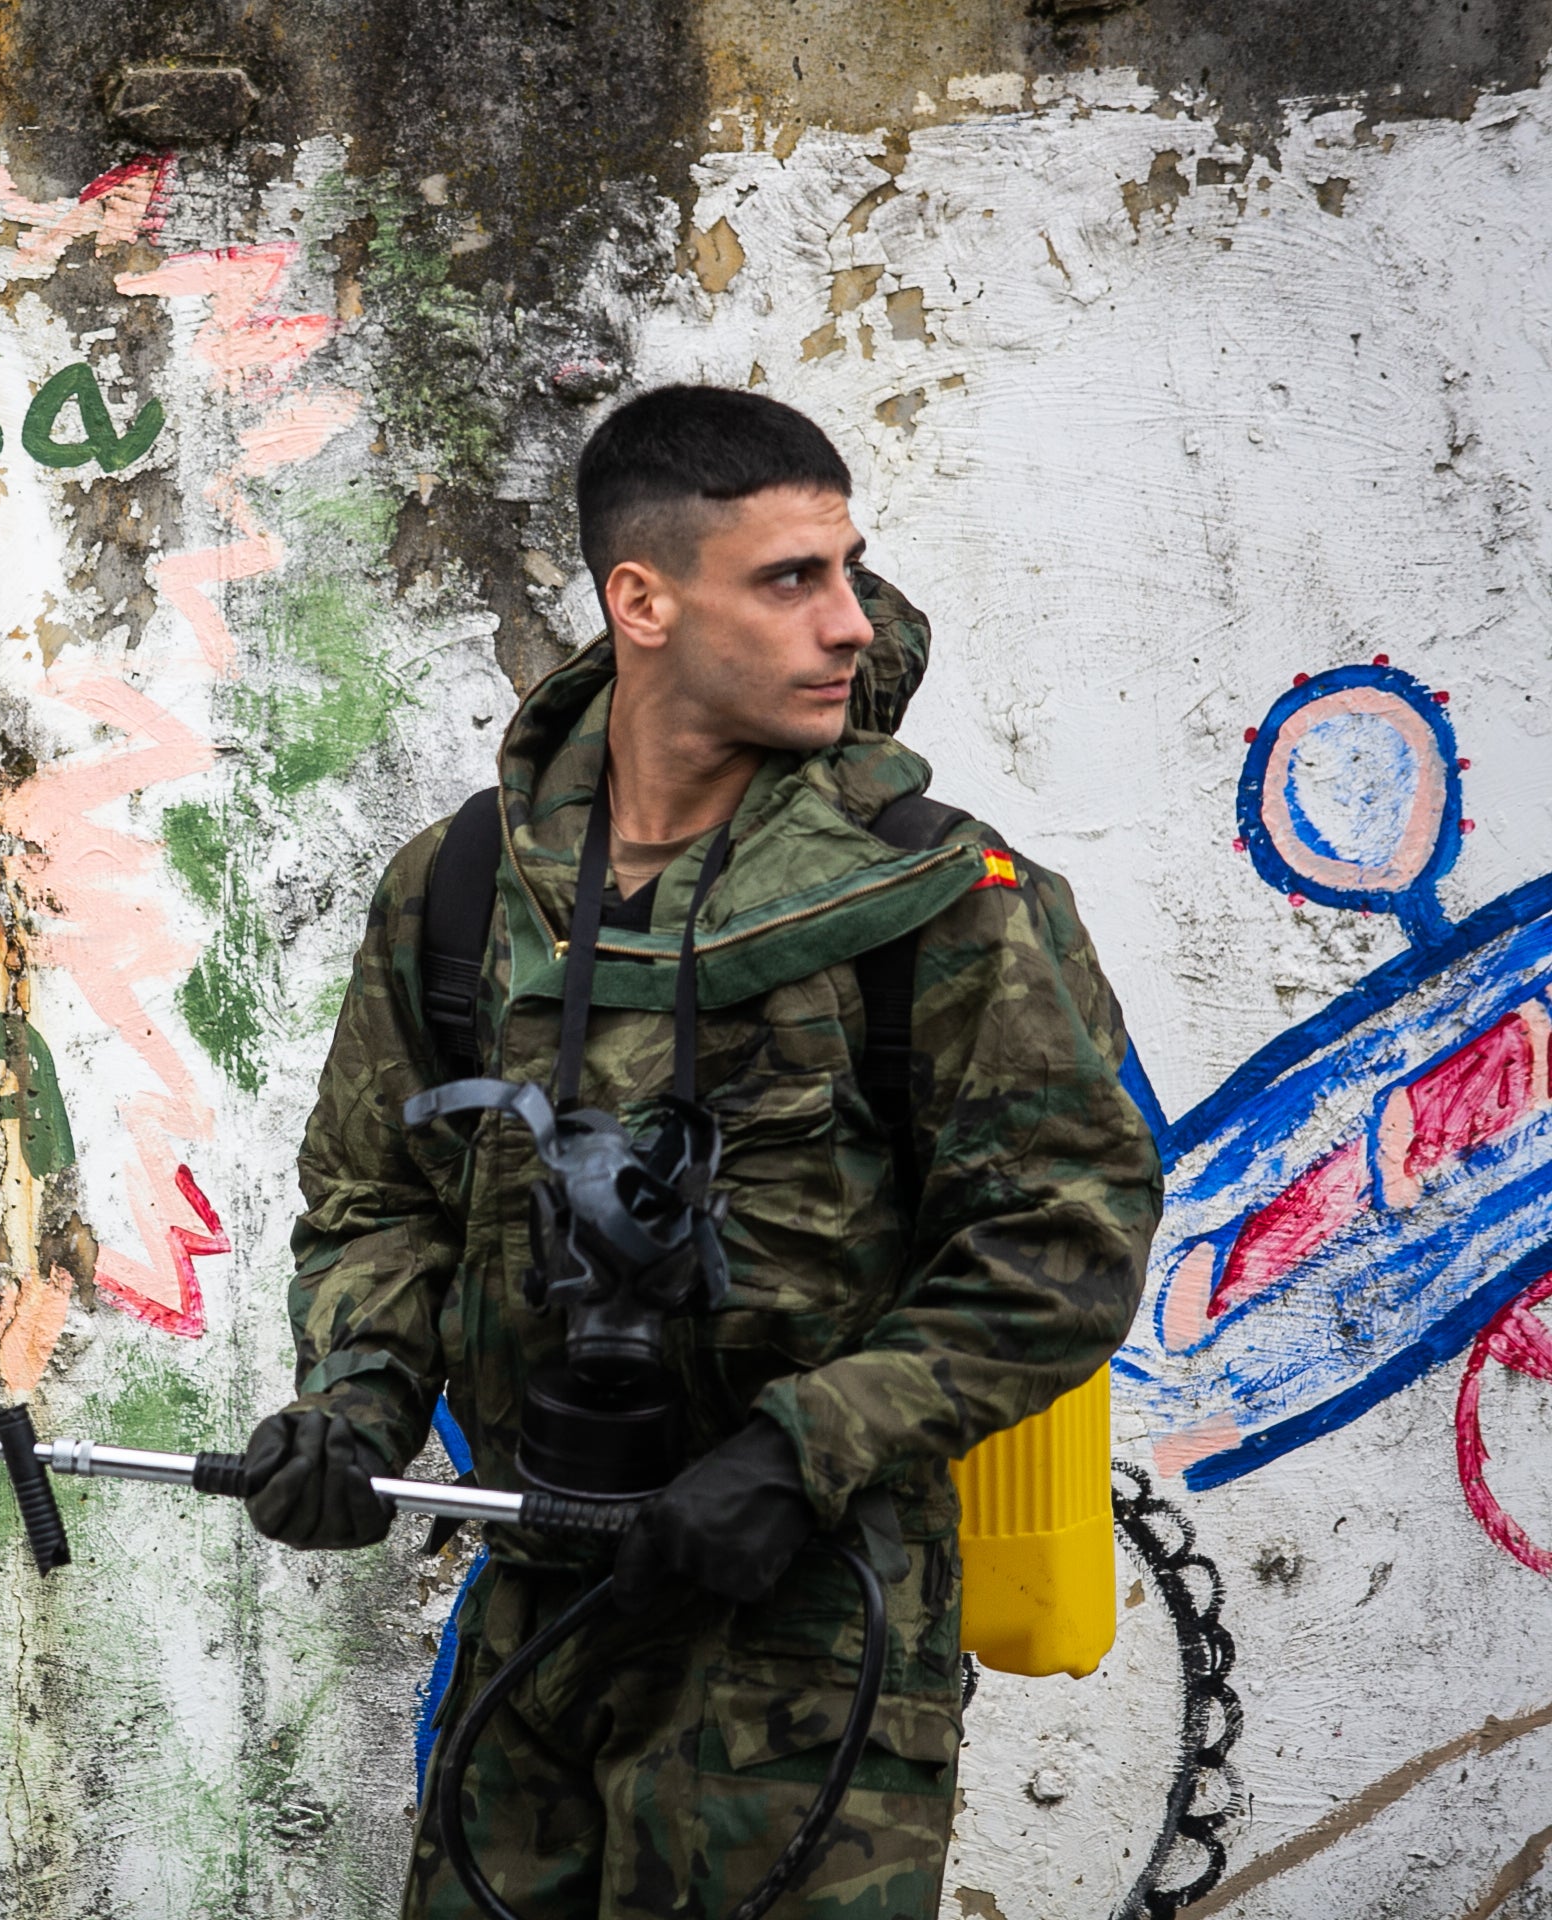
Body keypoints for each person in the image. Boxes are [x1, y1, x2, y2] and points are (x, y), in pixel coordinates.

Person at [241, 385, 1161, 1917]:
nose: (849, 624)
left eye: (848, 571)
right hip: (538, 1595)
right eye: (790, 581)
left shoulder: (943, 899)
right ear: (642, 600)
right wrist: (354, 1402)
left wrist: (800, 1452)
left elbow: (1062, 1246)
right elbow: (378, 1193)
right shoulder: (466, 883)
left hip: (808, 1633)